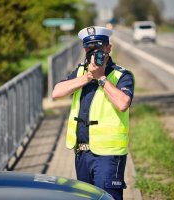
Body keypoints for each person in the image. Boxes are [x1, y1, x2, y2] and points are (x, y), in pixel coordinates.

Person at [52, 26, 134, 200]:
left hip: (108, 157)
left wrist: (101, 78)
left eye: (98, 48)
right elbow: (56, 93)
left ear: (108, 48)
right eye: (89, 49)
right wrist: (88, 76)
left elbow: (123, 103)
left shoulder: (121, 75)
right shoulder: (81, 72)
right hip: (82, 154)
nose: (93, 53)